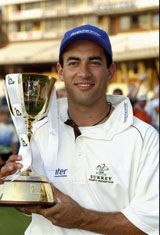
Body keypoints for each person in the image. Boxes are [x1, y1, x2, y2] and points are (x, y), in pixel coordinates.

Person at [0, 24, 159, 235]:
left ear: (111, 71)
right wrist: (13, 185)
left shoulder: (144, 138)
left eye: (94, 62)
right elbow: (32, 204)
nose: (84, 73)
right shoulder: (38, 129)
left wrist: (81, 218)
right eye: (74, 62)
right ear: (61, 71)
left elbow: (150, 224)